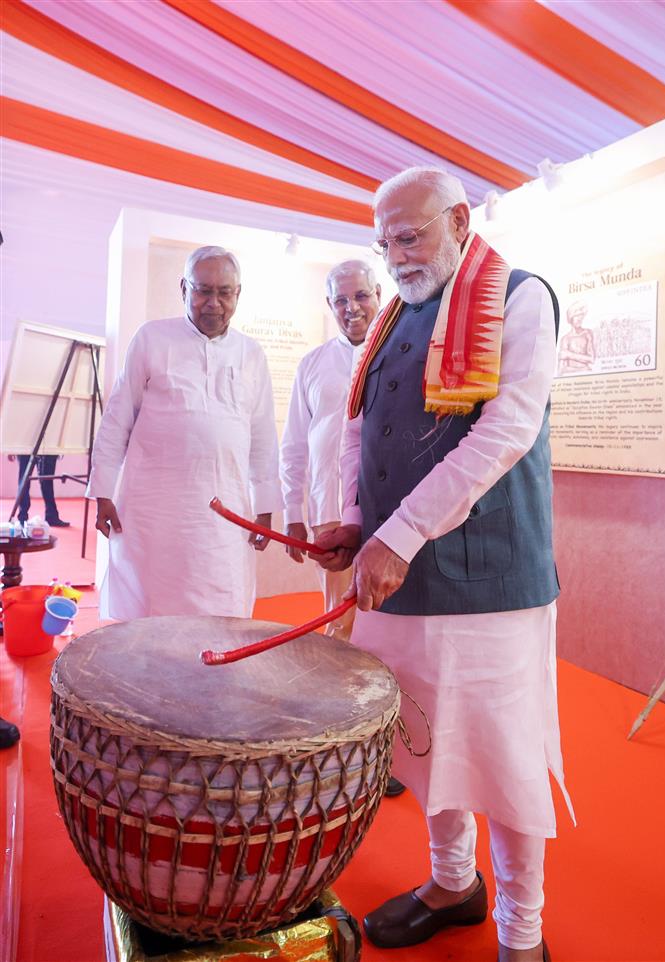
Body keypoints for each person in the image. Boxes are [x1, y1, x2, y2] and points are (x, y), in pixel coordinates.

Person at [316, 167, 572, 962]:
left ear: (459, 219)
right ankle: (453, 883)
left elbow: (506, 432)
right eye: (385, 240)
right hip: (399, 574)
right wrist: (359, 525)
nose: (396, 256)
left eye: (411, 235)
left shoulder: (520, 295)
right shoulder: (394, 316)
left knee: (502, 754)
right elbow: (362, 428)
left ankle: (522, 933)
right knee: (426, 742)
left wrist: (399, 534)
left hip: (488, 576)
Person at [86, 246, 282, 620]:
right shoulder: (151, 339)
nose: (214, 303)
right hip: (153, 513)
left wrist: (266, 505)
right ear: (183, 289)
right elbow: (117, 420)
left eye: (224, 292)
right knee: (151, 613)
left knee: (221, 612)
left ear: (238, 294)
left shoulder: (251, 353)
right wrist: (103, 492)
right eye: (203, 290)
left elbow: (262, 435)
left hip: (224, 517)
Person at [280, 260, 381, 642]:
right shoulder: (312, 364)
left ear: (378, 296)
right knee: (339, 620)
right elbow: (293, 444)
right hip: (329, 512)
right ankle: (342, 699)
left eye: (360, 296)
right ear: (329, 304)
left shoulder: (401, 357)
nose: (351, 307)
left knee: (386, 618)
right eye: (341, 300)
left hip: (387, 510)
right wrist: (293, 511)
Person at [15, 454, 69, 526]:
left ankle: (51, 515)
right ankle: (23, 516)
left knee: (47, 480)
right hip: (26, 446)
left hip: (47, 446)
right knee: (25, 479)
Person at [557, 300, 595, 375]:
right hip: (571, 376)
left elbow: (591, 359)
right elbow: (560, 369)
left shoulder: (587, 334)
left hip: (586, 373)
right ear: (570, 318)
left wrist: (569, 355)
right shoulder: (565, 339)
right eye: (576, 316)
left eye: (581, 316)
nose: (579, 319)